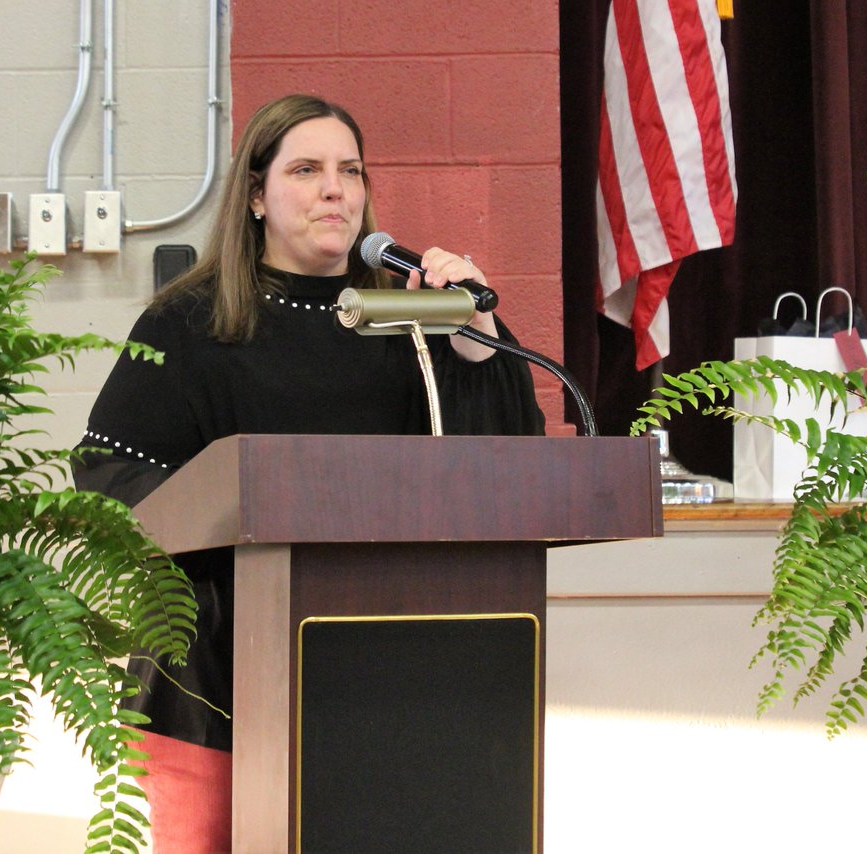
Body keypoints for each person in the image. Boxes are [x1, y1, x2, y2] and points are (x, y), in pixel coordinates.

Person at [72, 93, 545, 853]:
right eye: (307, 169)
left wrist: (476, 336)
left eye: (351, 171)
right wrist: (232, 519)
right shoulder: (191, 323)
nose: (337, 189)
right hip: (217, 683)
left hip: (401, 694)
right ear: (256, 196)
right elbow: (108, 476)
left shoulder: (413, 316)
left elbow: (512, 467)